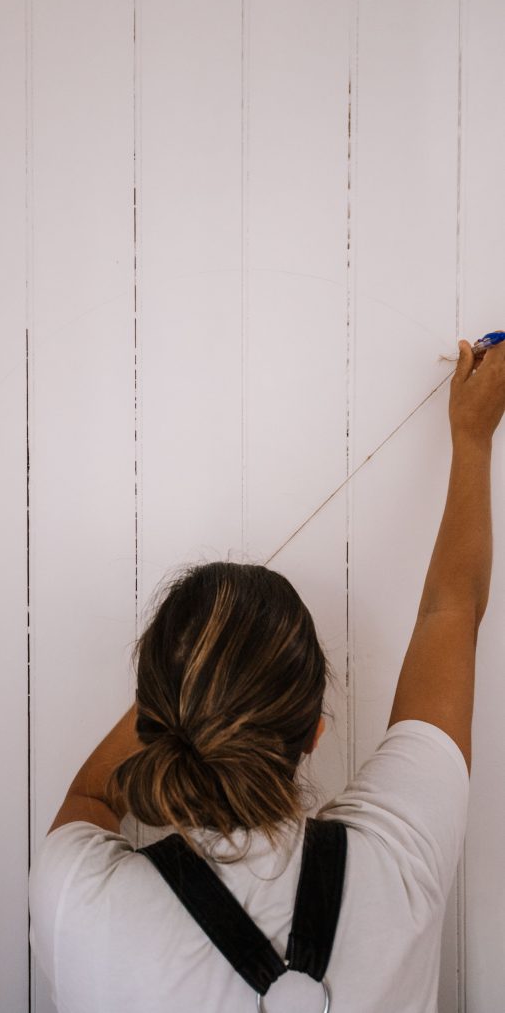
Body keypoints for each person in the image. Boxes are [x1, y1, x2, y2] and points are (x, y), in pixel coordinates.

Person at [29, 338, 505, 1012]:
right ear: (314, 731)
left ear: (152, 716)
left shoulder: (77, 899)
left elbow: (92, 795)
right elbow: (451, 610)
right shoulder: (400, 855)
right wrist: (473, 436)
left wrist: (189, 682)